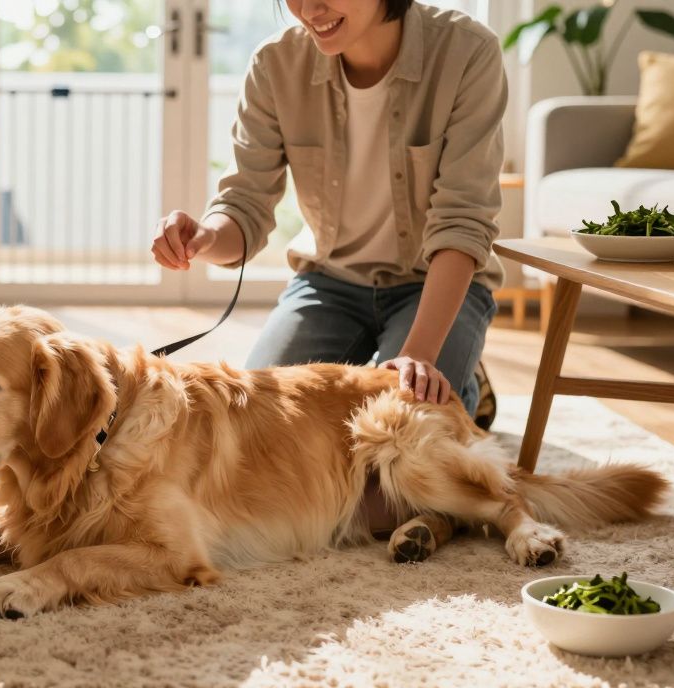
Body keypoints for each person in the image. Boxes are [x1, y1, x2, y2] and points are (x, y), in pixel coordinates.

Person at [151, 0, 505, 421]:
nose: (309, 8)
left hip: (433, 284)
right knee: (260, 422)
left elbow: (463, 219)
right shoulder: (275, 63)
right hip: (329, 284)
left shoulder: (467, 51)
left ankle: (462, 378)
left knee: (407, 423)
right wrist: (205, 237)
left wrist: (419, 356)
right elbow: (245, 202)